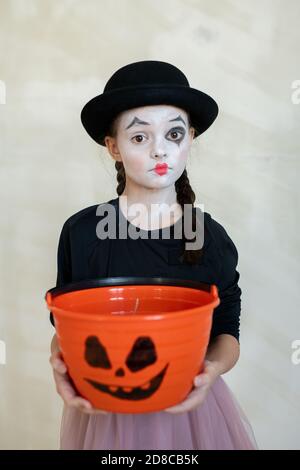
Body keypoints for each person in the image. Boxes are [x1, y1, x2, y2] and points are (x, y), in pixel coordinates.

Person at [49, 60, 258, 450]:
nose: (160, 148)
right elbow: (64, 326)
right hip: (104, 411)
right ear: (113, 147)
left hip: (191, 412)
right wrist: (58, 364)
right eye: (140, 137)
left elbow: (227, 329)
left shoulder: (210, 237)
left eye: (174, 133)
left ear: (190, 139)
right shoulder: (81, 232)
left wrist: (210, 372)